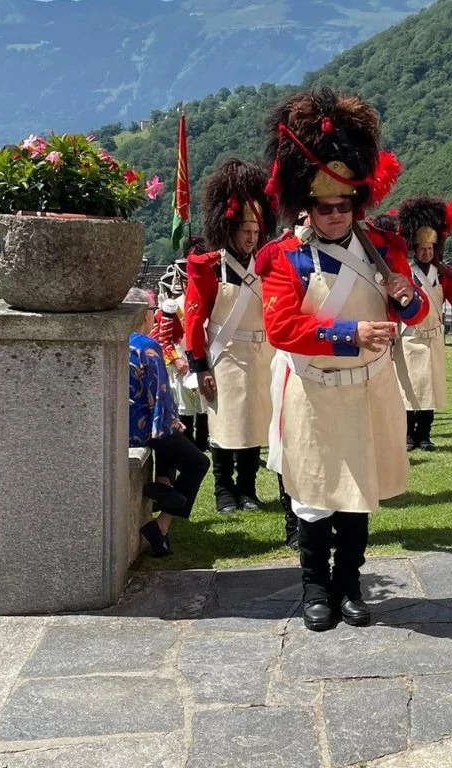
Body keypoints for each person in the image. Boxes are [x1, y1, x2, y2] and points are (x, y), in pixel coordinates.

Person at [258, 86, 427, 632]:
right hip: (313, 388)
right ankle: (315, 588)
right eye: (323, 206)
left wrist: (406, 297)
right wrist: (351, 333)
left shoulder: (385, 247)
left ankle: (349, 584)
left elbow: (415, 311)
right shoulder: (286, 257)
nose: (334, 215)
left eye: (344, 205)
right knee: (312, 496)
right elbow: (282, 328)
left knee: (357, 494)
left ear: (359, 202)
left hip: (369, 388)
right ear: (306, 206)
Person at [184, 159, 277, 514]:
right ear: (229, 229)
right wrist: (200, 366)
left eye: (256, 230)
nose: (251, 237)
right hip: (223, 357)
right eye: (245, 230)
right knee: (224, 425)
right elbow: (194, 320)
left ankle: (248, 488)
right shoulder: (207, 267)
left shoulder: (267, 265)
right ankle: (223, 490)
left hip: (260, 355)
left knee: (253, 424)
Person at [127, 288, 211, 558]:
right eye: (153, 312)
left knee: (171, 445)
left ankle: (163, 488)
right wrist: (173, 423)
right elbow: (160, 396)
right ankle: (163, 520)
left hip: (119, 427)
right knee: (198, 461)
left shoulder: (119, 342)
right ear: (144, 315)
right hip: (141, 429)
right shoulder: (147, 346)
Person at [395, 196, 452, 450]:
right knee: (408, 390)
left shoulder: (442, 273)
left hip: (433, 337)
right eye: (422, 249)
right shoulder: (405, 272)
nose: (426, 253)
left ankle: (424, 435)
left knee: (430, 391)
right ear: (414, 249)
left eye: (430, 249)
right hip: (410, 337)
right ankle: (408, 435)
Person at [154, 237, 209, 453]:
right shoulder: (172, 306)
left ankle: (203, 443)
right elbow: (163, 339)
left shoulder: (208, 302)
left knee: (204, 405)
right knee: (185, 406)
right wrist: (175, 360)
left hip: (203, 359)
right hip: (181, 361)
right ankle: (188, 443)